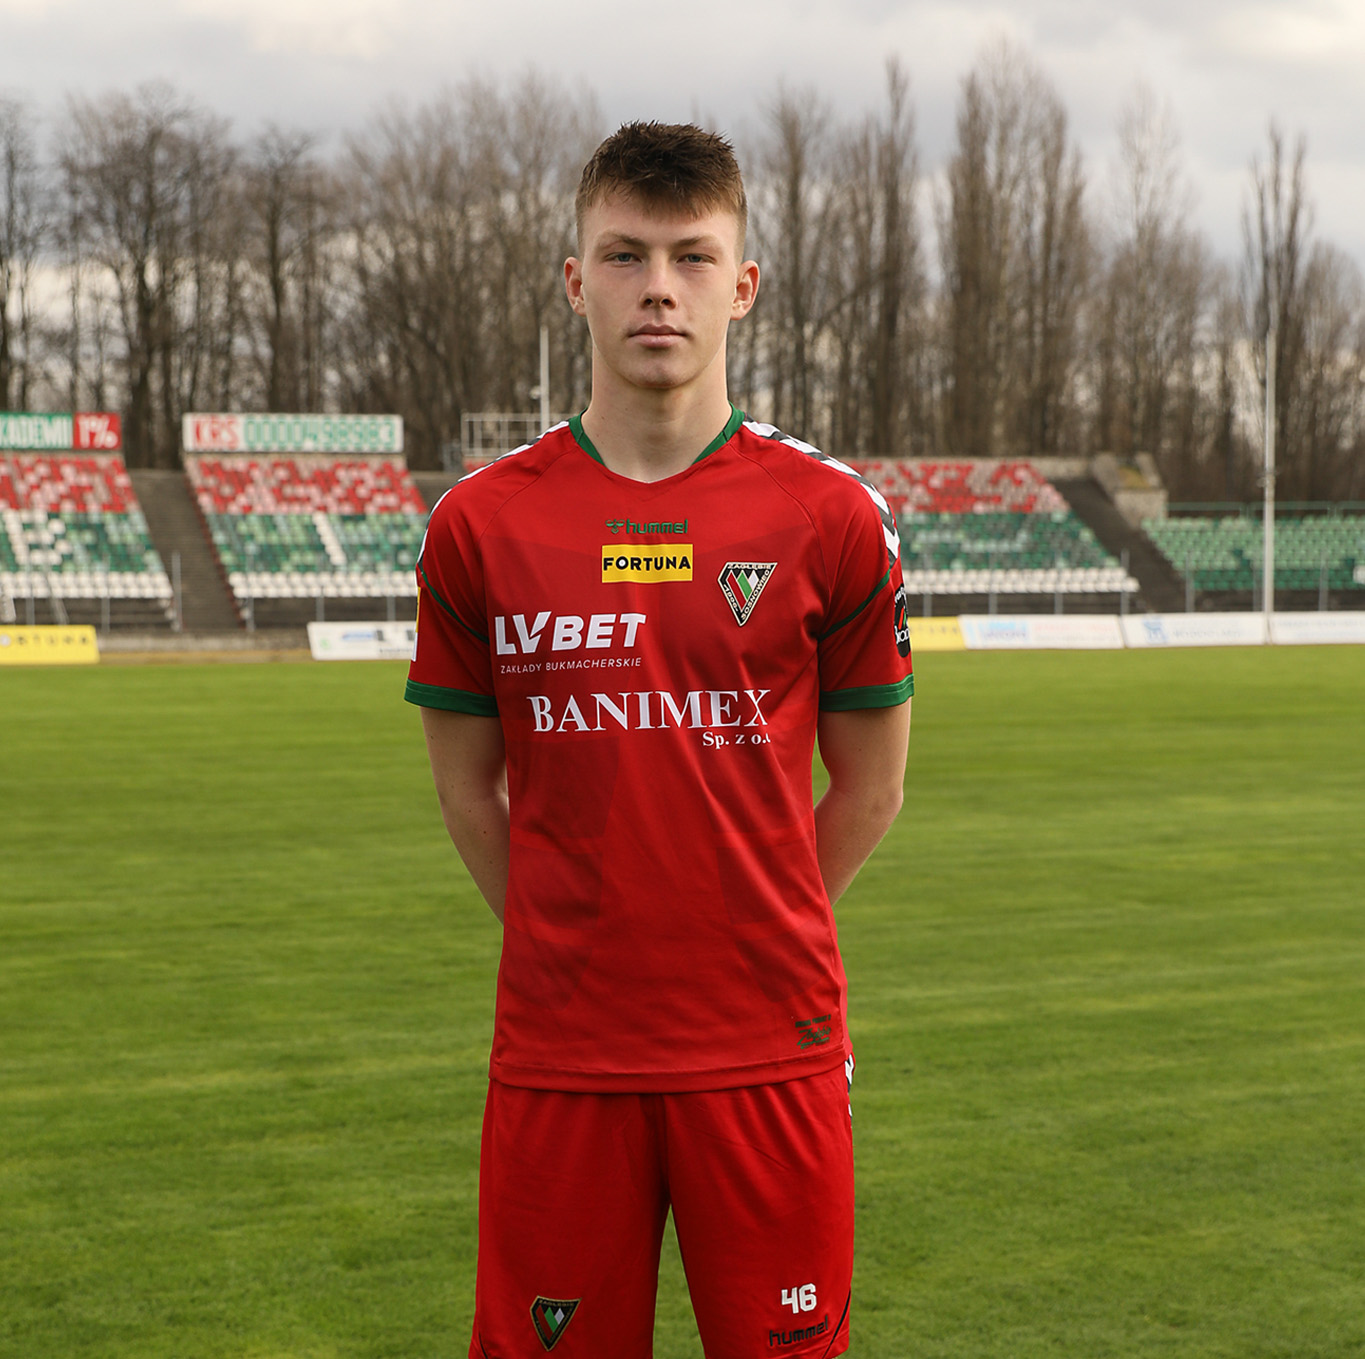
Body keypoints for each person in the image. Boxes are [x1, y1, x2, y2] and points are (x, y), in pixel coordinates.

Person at [406, 120, 912, 1359]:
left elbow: (871, 786)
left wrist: (746, 926)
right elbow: (469, 794)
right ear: (575, 282)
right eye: (625, 255)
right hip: (563, 1051)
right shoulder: (479, 525)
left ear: (743, 286)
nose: (659, 289)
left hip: (771, 1046)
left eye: (693, 257)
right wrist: (577, 938)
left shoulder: (832, 516)